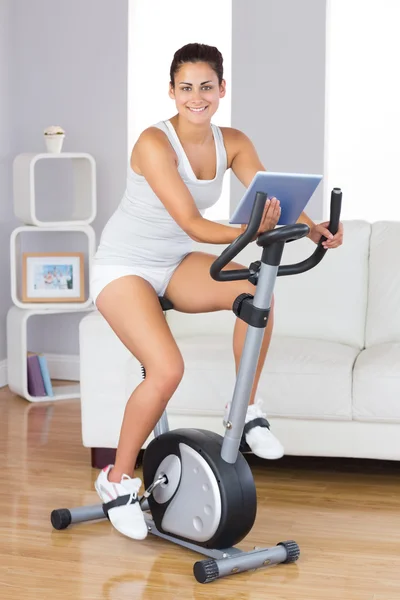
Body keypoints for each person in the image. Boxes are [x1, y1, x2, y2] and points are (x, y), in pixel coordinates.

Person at [90, 42, 344, 541]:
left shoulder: (234, 142)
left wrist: (315, 229)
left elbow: (277, 201)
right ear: (171, 92)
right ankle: (115, 480)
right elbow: (191, 221)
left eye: (207, 86)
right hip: (124, 266)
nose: (197, 97)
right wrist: (254, 230)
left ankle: (245, 410)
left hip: (173, 262)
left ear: (222, 89)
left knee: (254, 290)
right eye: (186, 88)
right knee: (167, 369)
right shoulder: (152, 143)